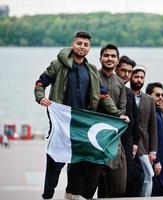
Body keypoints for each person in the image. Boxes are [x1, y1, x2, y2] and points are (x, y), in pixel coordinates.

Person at [34, 31, 122, 200]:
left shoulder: (91, 70)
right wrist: (40, 97)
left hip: (82, 124)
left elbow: (103, 95)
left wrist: (117, 114)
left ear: (89, 48)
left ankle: (72, 194)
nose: (82, 47)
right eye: (79, 43)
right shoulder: (57, 65)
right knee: (55, 160)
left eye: (86, 45)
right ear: (73, 44)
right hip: (61, 121)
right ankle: (47, 195)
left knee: (79, 160)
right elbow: (40, 83)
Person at [97, 44, 127, 198]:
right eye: (106, 55)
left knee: (119, 187)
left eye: (113, 56)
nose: (109, 58)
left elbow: (122, 109)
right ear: (100, 58)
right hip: (94, 136)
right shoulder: (92, 76)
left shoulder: (120, 82)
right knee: (89, 186)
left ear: (117, 60)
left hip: (114, 137)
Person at [115, 55, 144, 197]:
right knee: (108, 177)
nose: (126, 74)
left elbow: (134, 120)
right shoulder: (109, 88)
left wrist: (135, 143)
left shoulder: (129, 93)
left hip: (127, 140)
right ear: (116, 69)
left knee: (133, 176)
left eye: (129, 71)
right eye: (123, 70)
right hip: (110, 137)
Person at [130, 65, 158, 197]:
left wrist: (153, 150)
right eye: (136, 77)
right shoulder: (124, 93)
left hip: (143, 145)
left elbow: (153, 126)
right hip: (126, 142)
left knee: (148, 175)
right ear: (131, 77)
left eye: (141, 77)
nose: (139, 80)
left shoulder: (149, 99)